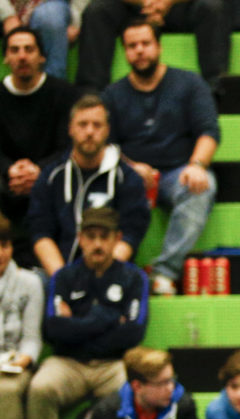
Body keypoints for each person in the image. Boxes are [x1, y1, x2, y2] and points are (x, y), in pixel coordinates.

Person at [26, 207, 148, 419]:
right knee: (40, 388)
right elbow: (53, 330)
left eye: (104, 237)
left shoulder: (134, 278)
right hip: (68, 363)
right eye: (91, 237)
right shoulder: (64, 277)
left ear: (117, 239)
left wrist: (78, 326)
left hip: (112, 364)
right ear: (80, 239)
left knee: (131, 391)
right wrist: (107, 319)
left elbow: (133, 333)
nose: (98, 244)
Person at [101, 19, 219, 296]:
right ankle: (109, 275)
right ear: (125, 51)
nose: (140, 50)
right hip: (129, 176)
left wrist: (197, 165)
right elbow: (106, 145)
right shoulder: (112, 95)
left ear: (159, 46)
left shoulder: (189, 84)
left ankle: (164, 273)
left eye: (146, 43)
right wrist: (130, 167)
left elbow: (209, 131)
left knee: (202, 187)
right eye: (132, 46)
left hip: (178, 172)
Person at [27, 93, 150, 279]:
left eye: (97, 125)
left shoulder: (127, 178)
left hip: (111, 274)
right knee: (31, 282)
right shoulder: (51, 177)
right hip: (59, 273)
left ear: (107, 130)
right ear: (70, 129)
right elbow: (40, 233)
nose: (90, 131)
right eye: (83, 124)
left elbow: (131, 234)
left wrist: (97, 280)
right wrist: (63, 280)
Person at [0, 25, 80, 268]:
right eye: (15, 50)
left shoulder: (63, 93)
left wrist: (39, 170)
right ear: (6, 58)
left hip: (50, 177)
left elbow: (69, 145)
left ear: (42, 56)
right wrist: (10, 170)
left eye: (29, 49)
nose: (22, 56)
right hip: (6, 179)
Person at [75, 0, 232, 94]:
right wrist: (146, 2)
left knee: (212, 7)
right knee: (97, 11)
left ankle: (215, 90)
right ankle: (91, 95)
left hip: (179, 5)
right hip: (135, 5)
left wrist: (166, 2)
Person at [0, 212, 44, 419]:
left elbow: (31, 338)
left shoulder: (30, 282)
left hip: (14, 364)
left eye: (5, 245)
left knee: (5, 389)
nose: (1, 253)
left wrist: (23, 360)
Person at [0, 1, 87, 80]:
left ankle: (53, 86)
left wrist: (76, 21)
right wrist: (7, 16)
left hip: (50, 6)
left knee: (51, 17)